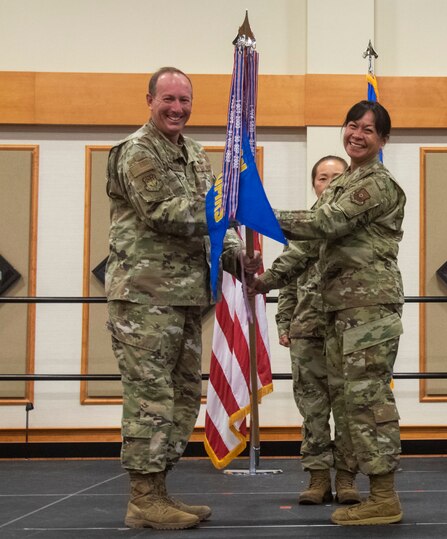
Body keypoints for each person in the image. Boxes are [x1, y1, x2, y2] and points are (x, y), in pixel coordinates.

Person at [105, 66, 256, 530]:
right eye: (168, 99)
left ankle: (159, 490)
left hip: (189, 298)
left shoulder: (194, 153)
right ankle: (143, 497)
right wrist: (230, 207)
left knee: (184, 395)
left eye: (184, 101)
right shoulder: (136, 151)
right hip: (145, 299)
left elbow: (216, 222)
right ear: (149, 99)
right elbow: (164, 213)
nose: (177, 108)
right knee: (151, 397)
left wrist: (235, 256)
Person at [251, 100, 405, 526]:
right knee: (347, 402)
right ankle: (368, 491)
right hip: (341, 312)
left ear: (383, 140)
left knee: (367, 401)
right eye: (352, 126)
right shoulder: (344, 183)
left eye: (368, 130)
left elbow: (326, 225)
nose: (357, 134)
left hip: (368, 309)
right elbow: (306, 250)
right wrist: (262, 283)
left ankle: (384, 497)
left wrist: (256, 215)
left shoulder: (374, 183)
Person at [254, 155, 356, 506]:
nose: (328, 183)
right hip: (307, 330)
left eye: (336, 177)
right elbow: (289, 279)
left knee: (347, 408)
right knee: (313, 410)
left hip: (347, 331)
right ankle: (316, 479)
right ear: (314, 184)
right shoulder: (303, 226)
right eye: (322, 178)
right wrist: (284, 324)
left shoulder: (356, 224)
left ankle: (345, 479)